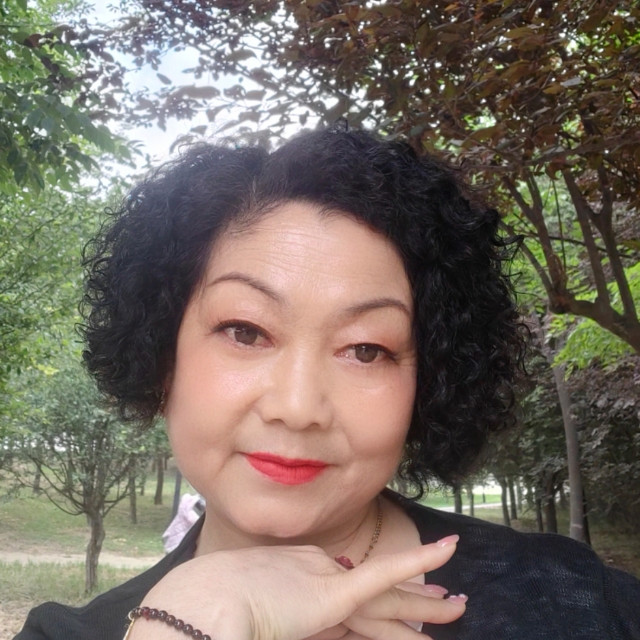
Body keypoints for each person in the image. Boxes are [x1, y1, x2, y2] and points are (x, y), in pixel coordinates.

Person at [15, 127, 640, 640]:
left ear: (429, 384)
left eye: (366, 350)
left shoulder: (587, 608)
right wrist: (186, 623)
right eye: (245, 331)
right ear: (162, 354)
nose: (297, 407)